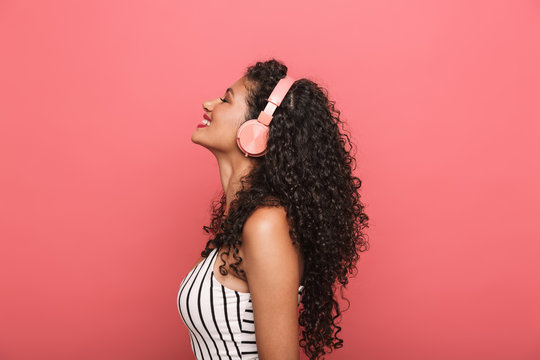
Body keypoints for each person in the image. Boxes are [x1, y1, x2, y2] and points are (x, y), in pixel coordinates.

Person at [178, 58, 370, 360]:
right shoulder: (243, 223)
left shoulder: (266, 225)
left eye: (226, 100)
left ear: (255, 131)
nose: (208, 103)